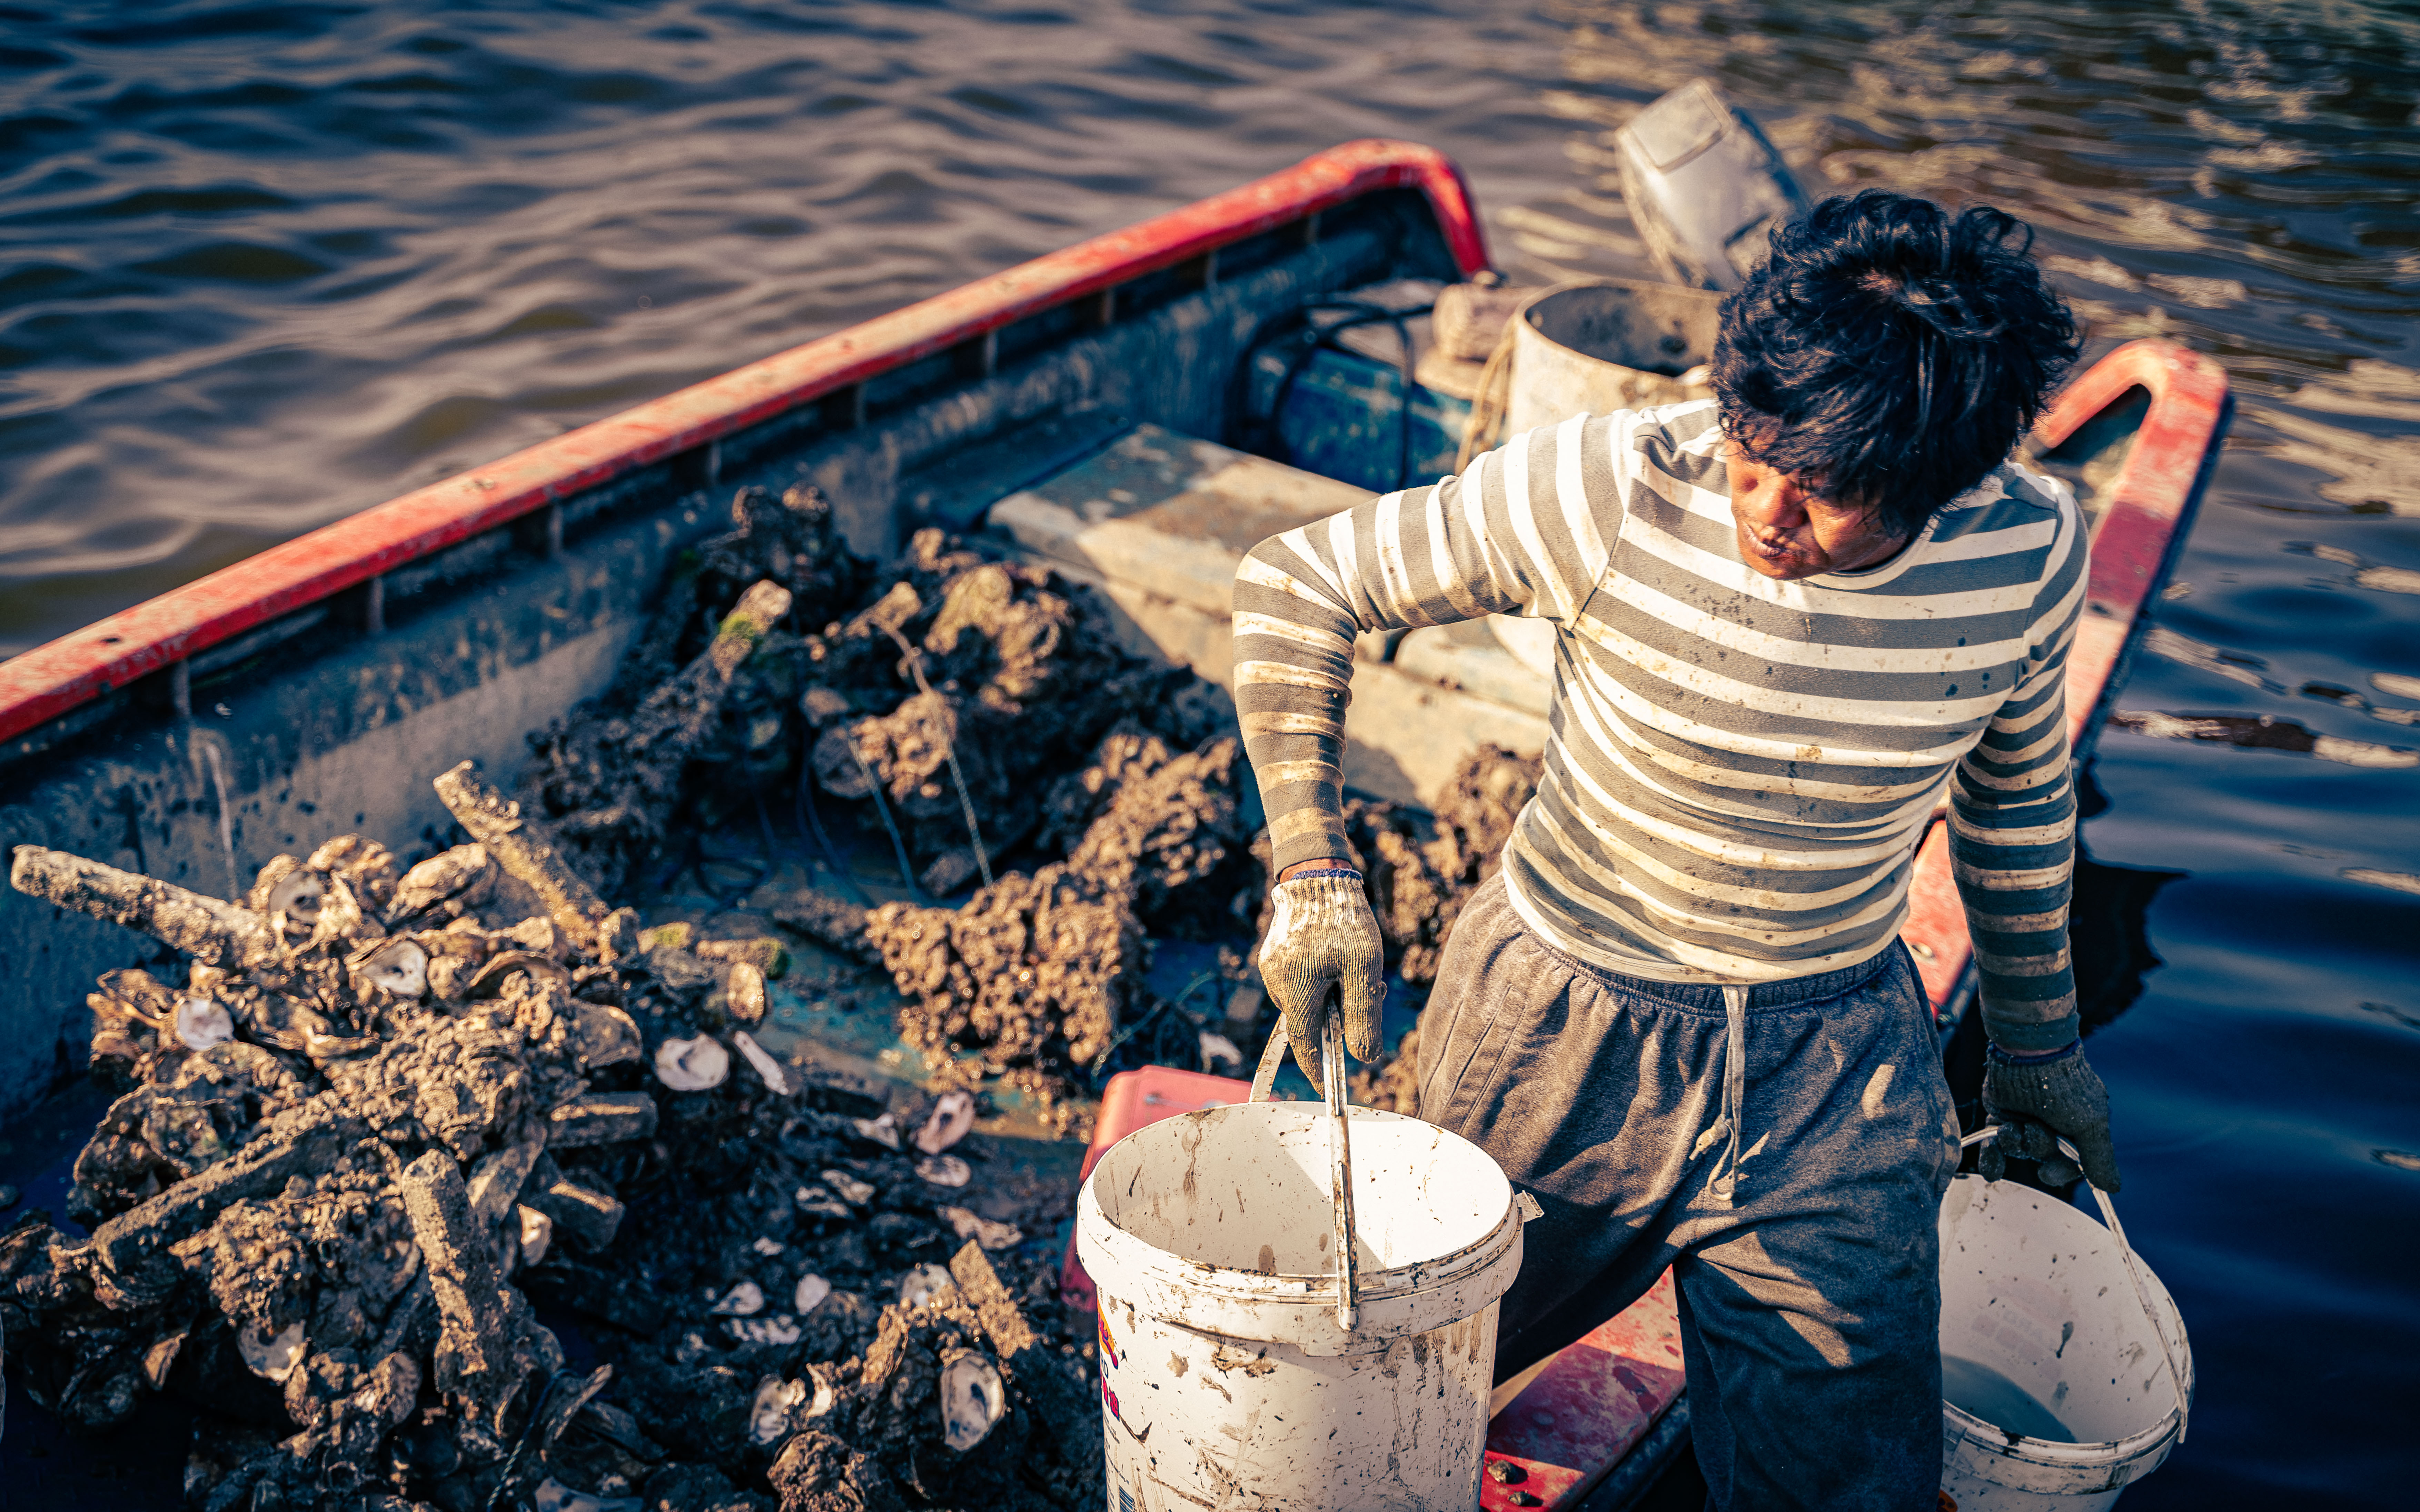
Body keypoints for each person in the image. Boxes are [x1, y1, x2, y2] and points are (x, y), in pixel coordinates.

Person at [1237, 190, 2115, 1510]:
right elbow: (1301, 583)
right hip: (1565, 1027)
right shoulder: (1612, 481)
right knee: (1380, 1400)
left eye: (1823, 497)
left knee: (1846, 1486)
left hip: (1837, 1071)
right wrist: (1312, 868)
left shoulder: (2030, 552)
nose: (1765, 507)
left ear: (1943, 481)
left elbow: (2016, 798)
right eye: (1753, 453)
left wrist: (2042, 1049)